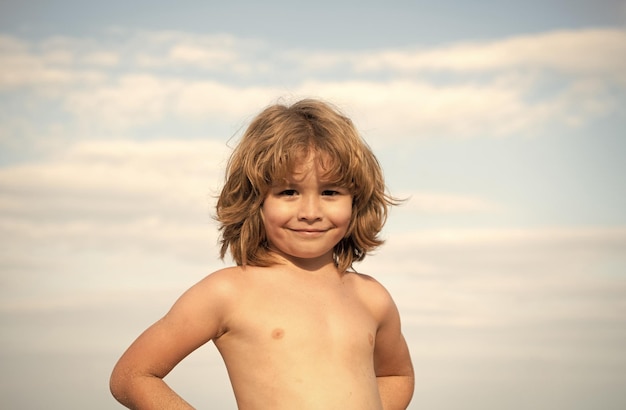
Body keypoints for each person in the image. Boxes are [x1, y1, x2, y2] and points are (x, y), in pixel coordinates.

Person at [109, 98, 414, 409]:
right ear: (255, 201)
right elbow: (133, 375)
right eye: (289, 192)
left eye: (330, 192)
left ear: (356, 201)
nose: (310, 212)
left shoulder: (372, 298)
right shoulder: (227, 291)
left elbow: (395, 375)